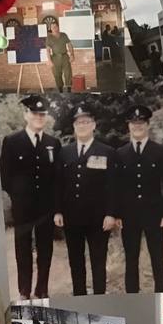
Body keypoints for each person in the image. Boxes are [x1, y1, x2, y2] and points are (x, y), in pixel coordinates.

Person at [0, 95, 60, 300]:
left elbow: (57, 178)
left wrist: (55, 205)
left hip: (46, 208)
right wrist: (18, 196)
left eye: (42, 115)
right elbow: (4, 176)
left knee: (45, 249)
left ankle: (42, 288)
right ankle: (24, 290)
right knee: (22, 249)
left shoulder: (53, 143)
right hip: (22, 207)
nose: (38, 118)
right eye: (35, 114)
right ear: (26, 115)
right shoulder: (12, 141)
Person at [54, 104, 117, 295]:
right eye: (78, 122)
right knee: (76, 261)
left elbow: (113, 185)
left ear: (93, 125)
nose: (82, 125)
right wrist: (57, 211)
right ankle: (79, 295)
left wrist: (111, 214)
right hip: (72, 217)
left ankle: (100, 296)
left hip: (99, 218)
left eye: (86, 122)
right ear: (74, 126)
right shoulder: (64, 153)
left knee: (98, 261)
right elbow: (58, 183)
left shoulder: (107, 152)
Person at [116, 105, 163, 293]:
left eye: (141, 123)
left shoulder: (160, 152)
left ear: (148, 125)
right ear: (129, 126)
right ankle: (132, 299)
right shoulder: (120, 154)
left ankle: (162, 296)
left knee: (158, 260)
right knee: (131, 260)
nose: (137, 126)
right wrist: (117, 214)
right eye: (134, 123)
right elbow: (116, 188)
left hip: (155, 215)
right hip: (129, 216)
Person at [46, 21, 74, 92]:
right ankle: (60, 90)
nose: (54, 28)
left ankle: (69, 90)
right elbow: (48, 50)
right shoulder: (49, 37)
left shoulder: (63, 35)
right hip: (55, 58)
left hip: (65, 57)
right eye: (53, 27)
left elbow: (69, 45)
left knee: (68, 74)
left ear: (58, 27)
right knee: (57, 75)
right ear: (50, 28)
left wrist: (72, 55)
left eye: (55, 27)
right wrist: (49, 60)